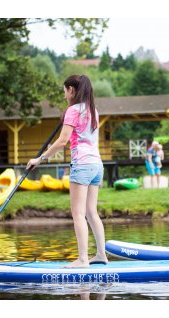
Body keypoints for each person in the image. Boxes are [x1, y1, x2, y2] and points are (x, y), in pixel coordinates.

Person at [27, 74, 108, 268]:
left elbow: (62, 141)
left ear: (72, 90)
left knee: (78, 213)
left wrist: (40, 159)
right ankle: (101, 254)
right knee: (91, 212)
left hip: (81, 164)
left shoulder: (73, 110)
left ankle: (82, 259)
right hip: (97, 165)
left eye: (65, 91)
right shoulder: (93, 110)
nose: (64, 95)